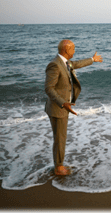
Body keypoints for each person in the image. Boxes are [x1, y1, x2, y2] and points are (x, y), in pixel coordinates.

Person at [44, 39, 103, 176]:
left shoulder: (65, 62)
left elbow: (76, 64)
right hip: (58, 108)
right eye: (73, 49)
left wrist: (92, 59)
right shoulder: (55, 65)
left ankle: (59, 164)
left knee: (61, 137)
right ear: (66, 50)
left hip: (62, 107)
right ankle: (59, 167)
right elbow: (49, 88)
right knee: (60, 138)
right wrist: (63, 103)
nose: (75, 51)